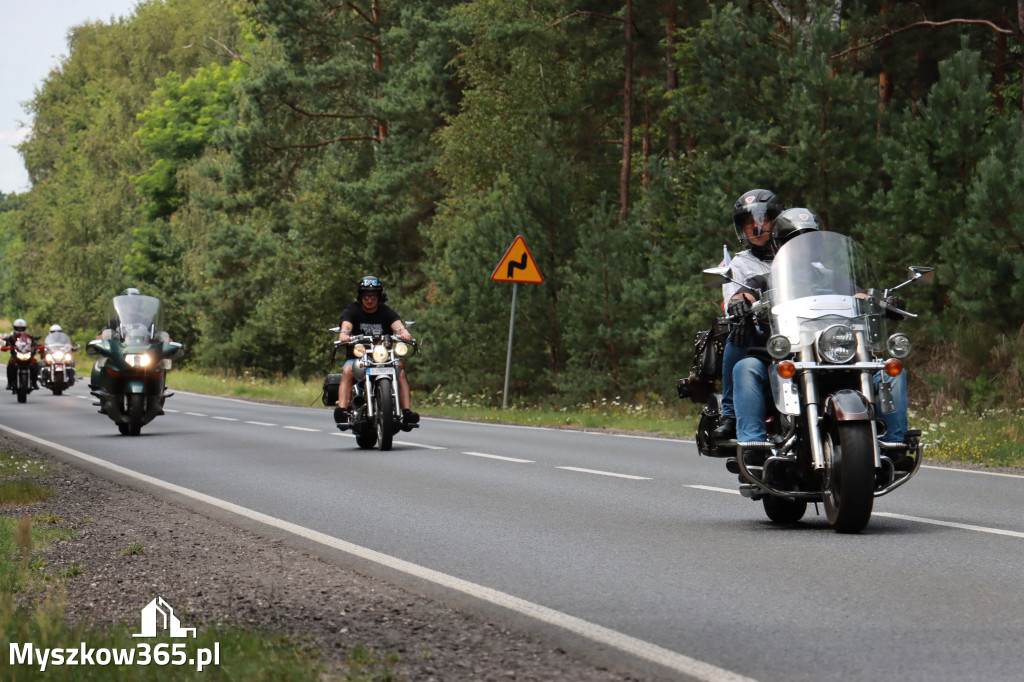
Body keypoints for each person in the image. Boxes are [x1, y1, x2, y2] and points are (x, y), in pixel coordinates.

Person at [730, 208, 911, 468]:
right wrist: (739, 304)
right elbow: (743, 295)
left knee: (891, 371)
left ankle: (895, 445)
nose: (804, 248)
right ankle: (753, 446)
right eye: (795, 242)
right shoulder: (766, 279)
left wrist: (884, 302)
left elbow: (861, 297)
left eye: (810, 241)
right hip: (790, 355)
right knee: (745, 367)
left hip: (837, 354)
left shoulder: (834, 277)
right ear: (780, 245)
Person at [712, 189, 785, 441]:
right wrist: (738, 307)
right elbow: (733, 298)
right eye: (749, 222)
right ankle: (730, 414)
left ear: (777, 221)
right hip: (762, 335)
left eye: (764, 219)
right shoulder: (739, 264)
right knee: (738, 332)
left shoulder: (799, 256)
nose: (757, 226)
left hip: (800, 332)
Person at [334, 275, 419, 429]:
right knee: (347, 371)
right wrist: (344, 334)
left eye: (373, 296)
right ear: (361, 296)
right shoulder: (352, 310)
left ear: (379, 297)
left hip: (382, 358)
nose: (370, 299)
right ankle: (343, 411)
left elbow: (398, 326)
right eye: (366, 296)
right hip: (358, 358)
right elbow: (346, 324)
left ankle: (406, 413)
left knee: (400, 373)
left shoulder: (386, 311)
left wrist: (404, 333)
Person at [2, 318, 40, 390]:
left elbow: (34, 344)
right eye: (18, 328)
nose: (19, 329)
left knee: (35, 364)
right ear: (15, 328)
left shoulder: (28, 337)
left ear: (24, 328)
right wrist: (7, 347)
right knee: (10, 365)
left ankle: (34, 382)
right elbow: (7, 344)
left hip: (27, 355)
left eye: (21, 328)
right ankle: (9, 383)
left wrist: (37, 346)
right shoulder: (12, 337)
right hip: (16, 356)